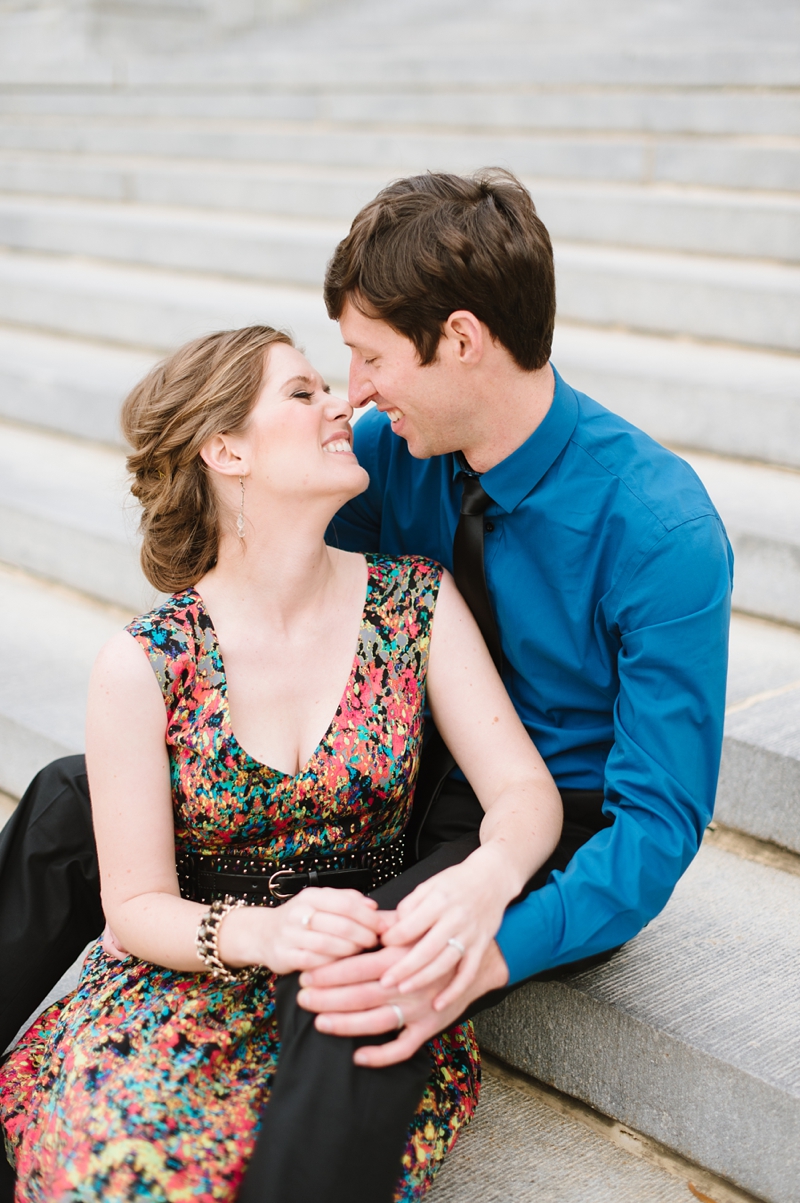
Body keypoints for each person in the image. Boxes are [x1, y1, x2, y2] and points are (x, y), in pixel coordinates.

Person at [0, 167, 733, 1199]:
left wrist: (491, 936)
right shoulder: (388, 453)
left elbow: (656, 824)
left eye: (369, 357)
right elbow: (265, 596)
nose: (353, 392)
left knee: (372, 976)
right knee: (74, 795)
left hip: (547, 819)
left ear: (462, 341)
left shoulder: (658, 526)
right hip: (392, 771)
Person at [0, 326, 563, 1201]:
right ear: (225, 449)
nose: (344, 401)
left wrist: (490, 874)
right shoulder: (147, 661)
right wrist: (262, 932)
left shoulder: (414, 599)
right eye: (303, 394)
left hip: (352, 1003)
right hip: (186, 991)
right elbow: (137, 905)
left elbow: (524, 790)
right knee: (125, 1174)